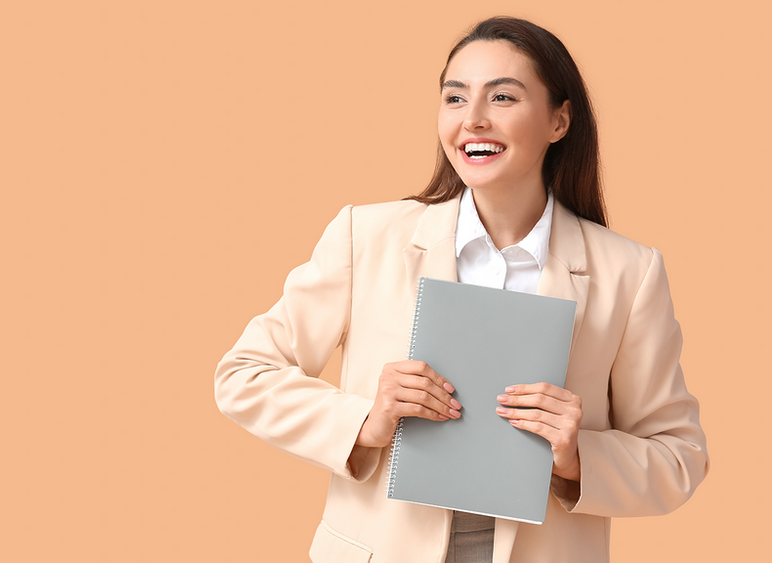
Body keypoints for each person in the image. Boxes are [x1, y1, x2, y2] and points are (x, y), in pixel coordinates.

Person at [214, 16, 708, 563]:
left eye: (502, 97)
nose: (473, 120)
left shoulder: (628, 272)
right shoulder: (366, 237)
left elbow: (679, 456)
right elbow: (243, 375)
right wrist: (365, 420)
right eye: (455, 98)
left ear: (559, 120)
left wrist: (577, 455)